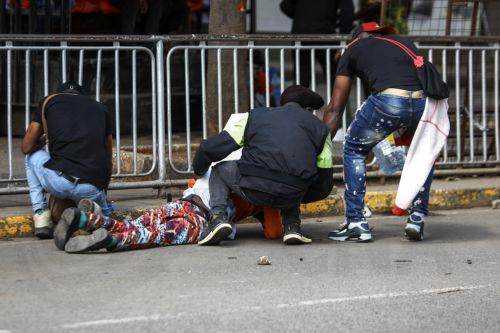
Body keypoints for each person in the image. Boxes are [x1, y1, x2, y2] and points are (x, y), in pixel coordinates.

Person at [323, 22, 436, 242]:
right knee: (422, 153)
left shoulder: (353, 49)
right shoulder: (404, 42)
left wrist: (321, 146)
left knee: (354, 148)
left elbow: (335, 109)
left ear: (355, 38)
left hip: (390, 100)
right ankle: (417, 216)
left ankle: (356, 221)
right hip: (425, 102)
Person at [194, 85, 334, 246]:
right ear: (308, 109)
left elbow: (209, 148)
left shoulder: (254, 116)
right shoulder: (321, 130)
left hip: (253, 188)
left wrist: (199, 171)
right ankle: (292, 227)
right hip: (291, 194)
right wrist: (301, 194)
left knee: (219, 169)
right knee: (295, 175)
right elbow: (324, 183)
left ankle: (218, 219)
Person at [21, 81, 114, 239]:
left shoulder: (48, 101)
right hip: (91, 186)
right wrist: (102, 194)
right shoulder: (101, 109)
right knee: (110, 223)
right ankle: (94, 214)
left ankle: (41, 215)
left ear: (59, 94)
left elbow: (26, 146)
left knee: (31, 157)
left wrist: (45, 138)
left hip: (59, 180)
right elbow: (108, 160)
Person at [280, 0, 354, 88]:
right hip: (327, 36)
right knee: (334, 78)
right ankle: (337, 101)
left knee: (300, 78)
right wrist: (344, 36)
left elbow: (285, 6)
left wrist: (302, 15)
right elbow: (347, 11)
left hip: (301, 35)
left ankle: (298, 101)